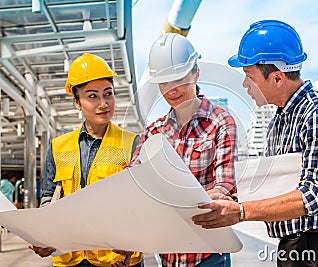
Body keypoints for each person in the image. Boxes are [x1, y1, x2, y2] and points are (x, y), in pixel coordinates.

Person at [192, 20, 318, 266]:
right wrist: (231, 199)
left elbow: (312, 195)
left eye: (249, 77)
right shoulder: (278, 121)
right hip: (293, 248)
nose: (245, 85)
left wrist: (241, 212)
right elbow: (275, 185)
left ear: (277, 78)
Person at [129, 33, 237, 267]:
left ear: (196, 72)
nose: (172, 90)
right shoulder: (153, 132)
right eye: (164, 83)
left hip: (208, 256)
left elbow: (224, 185)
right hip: (168, 256)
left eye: (179, 79)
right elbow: (134, 182)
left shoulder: (220, 122)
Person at [29, 53, 143, 267]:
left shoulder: (132, 144)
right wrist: (42, 235)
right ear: (76, 101)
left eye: (108, 94)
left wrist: (135, 242)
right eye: (92, 96)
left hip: (116, 259)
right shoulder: (58, 147)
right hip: (70, 257)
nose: (103, 103)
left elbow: (142, 203)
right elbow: (48, 196)